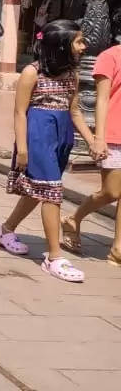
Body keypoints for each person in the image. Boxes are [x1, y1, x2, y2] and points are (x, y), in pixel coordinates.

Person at [0, 20, 93, 282]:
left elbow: (74, 111)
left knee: (39, 190)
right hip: (38, 133)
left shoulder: (71, 75)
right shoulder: (31, 72)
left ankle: (5, 230)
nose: (84, 46)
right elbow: (19, 112)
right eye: (79, 41)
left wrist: (93, 141)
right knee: (52, 192)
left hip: (61, 135)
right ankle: (54, 256)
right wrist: (23, 148)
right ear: (61, 45)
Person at [64, 39, 121, 267]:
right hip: (114, 133)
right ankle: (73, 218)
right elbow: (102, 98)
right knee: (112, 191)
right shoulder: (110, 56)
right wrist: (98, 138)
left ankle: (117, 248)